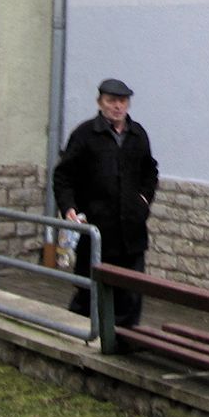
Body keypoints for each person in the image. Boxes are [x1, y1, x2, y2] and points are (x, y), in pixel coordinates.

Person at [53, 77, 158, 328]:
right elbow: (63, 176)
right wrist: (69, 208)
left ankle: (123, 340)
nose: (117, 106)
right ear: (100, 103)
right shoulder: (85, 134)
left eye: (122, 101)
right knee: (89, 292)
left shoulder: (137, 134)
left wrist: (143, 200)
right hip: (97, 231)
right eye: (111, 101)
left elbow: (150, 171)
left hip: (131, 233)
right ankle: (81, 335)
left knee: (130, 294)